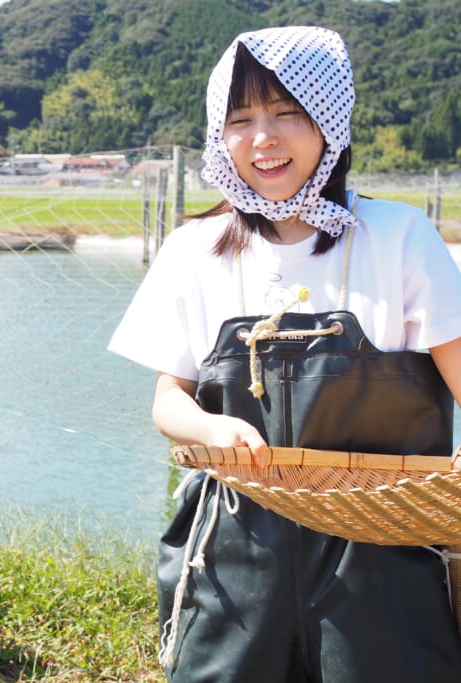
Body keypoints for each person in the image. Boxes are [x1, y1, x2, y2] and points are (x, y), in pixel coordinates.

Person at [109, 26, 461, 681]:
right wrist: (212, 426)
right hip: (232, 551)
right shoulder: (196, 249)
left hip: (383, 555)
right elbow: (168, 399)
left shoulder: (399, 237)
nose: (262, 138)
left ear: (330, 119)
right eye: (239, 119)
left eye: (288, 113)